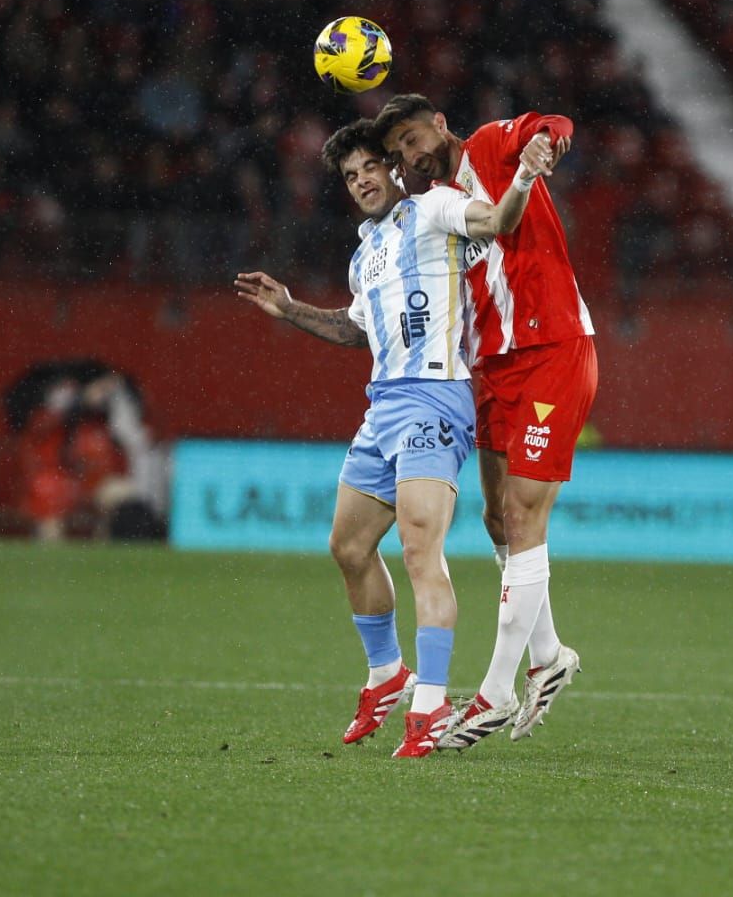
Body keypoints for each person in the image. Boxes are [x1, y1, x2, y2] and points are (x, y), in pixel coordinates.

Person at [235, 118, 551, 757]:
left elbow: (496, 224)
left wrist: (522, 176)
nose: (360, 183)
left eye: (369, 168)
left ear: (393, 167)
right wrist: (290, 308)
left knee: (417, 552)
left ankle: (431, 705)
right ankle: (388, 674)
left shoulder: (433, 208)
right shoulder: (363, 254)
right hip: (383, 406)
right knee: (348, 546)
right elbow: (359, 332)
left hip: (435, 395)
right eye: (350, 177)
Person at [375, 93, 597, 750]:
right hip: (494, 370)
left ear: (441, 124)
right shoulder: (435, 207)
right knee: (498, 519)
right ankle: (550, 653)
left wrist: (544, 146)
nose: (411, 155)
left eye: (416, 138)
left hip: (552, 350)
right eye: (399, 153)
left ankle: (495, 696)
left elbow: (551, 123)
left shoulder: (492, 147)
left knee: (527, 518)